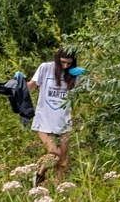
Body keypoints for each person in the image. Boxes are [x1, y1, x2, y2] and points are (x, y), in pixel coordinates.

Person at [29, 49, 84, 180]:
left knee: (63, 161)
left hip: (64, 120)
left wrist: (88, 75)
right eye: (63, 62)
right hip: (44, 119)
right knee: (54, 153)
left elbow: (89, 89)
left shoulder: (74, 74)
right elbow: (31, 86)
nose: (65, 66)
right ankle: (39, 174)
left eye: (69, 63)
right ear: (57, 59)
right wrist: (18, 84)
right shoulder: (46, 68)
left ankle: (59, 190)